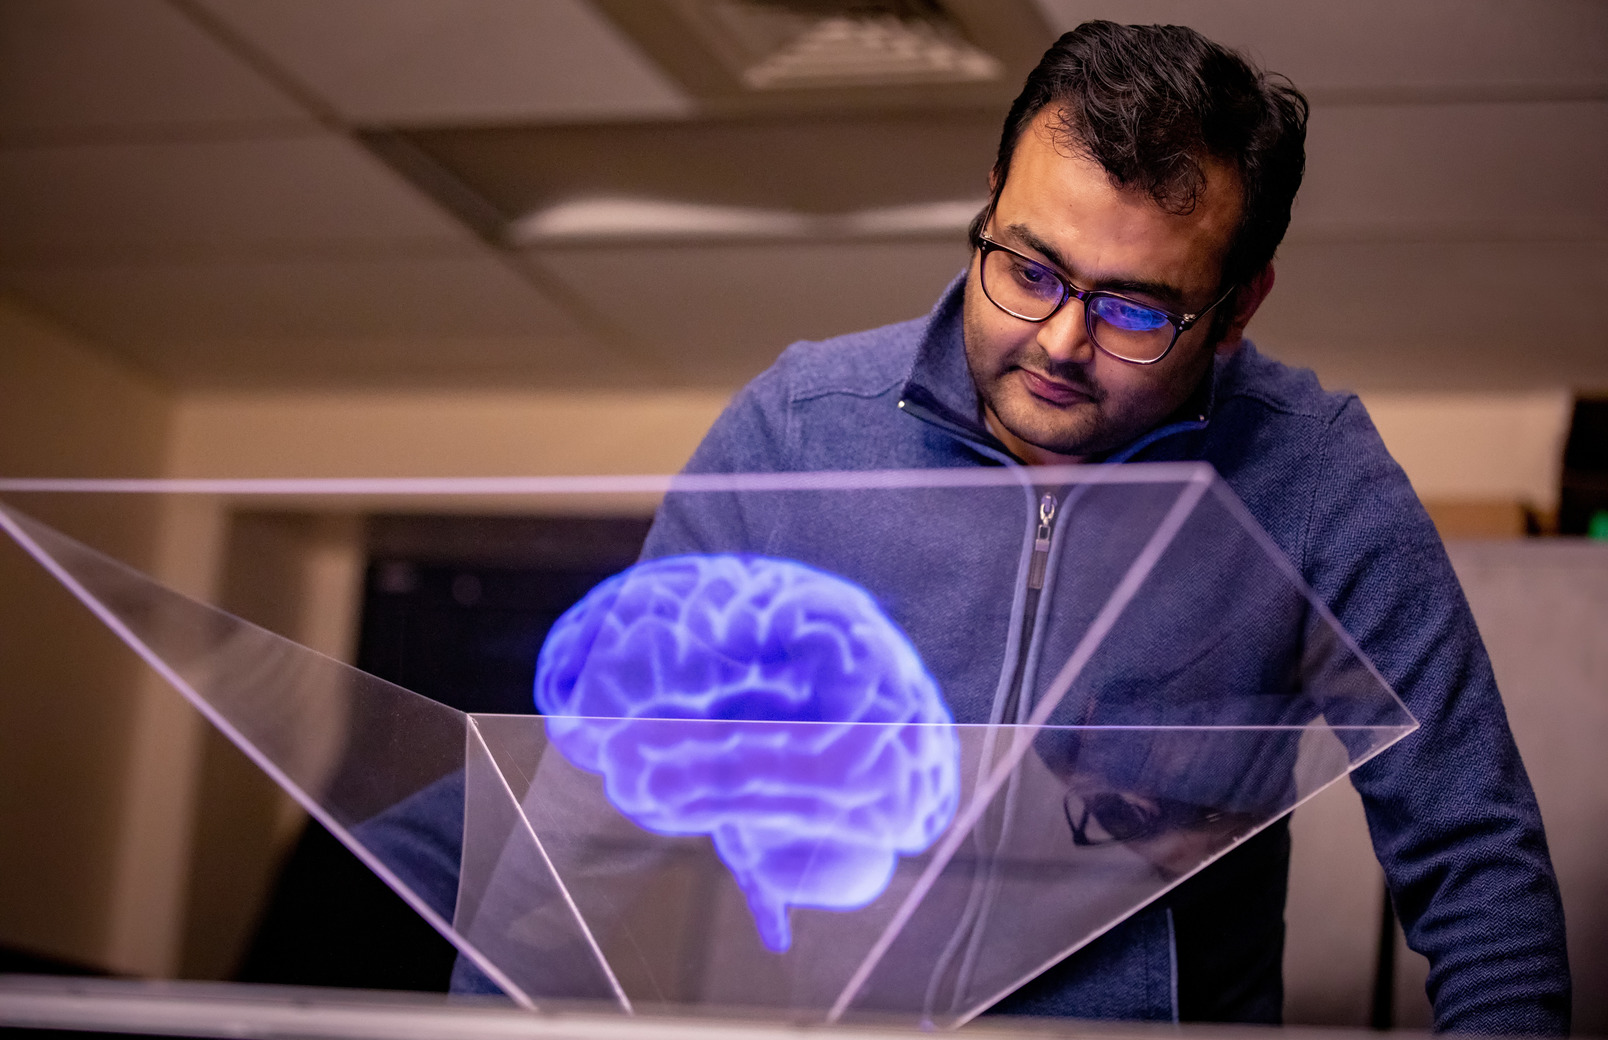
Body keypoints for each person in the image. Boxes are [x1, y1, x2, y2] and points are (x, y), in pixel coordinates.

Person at [637, 19, 1570, 1033]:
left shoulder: (1316, 480)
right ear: (992, 196)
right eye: (1030, 270)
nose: (1061, 341)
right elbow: (584, 808)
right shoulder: (799, 428)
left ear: (1238, 305)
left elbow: (1481, 874)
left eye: (1133, 309)